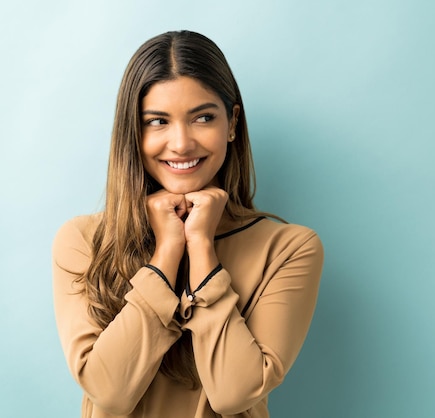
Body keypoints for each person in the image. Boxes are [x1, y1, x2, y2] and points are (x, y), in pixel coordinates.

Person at [52, 30, 324, 418]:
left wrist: (201, 247)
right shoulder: (83, 241)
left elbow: (234, 393)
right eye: (158, 121)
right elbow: (110, 392)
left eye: (202, 118)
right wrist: (167, 252)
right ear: (134, 131)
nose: (180, 143)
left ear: (231, 123)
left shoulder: (289, 248)